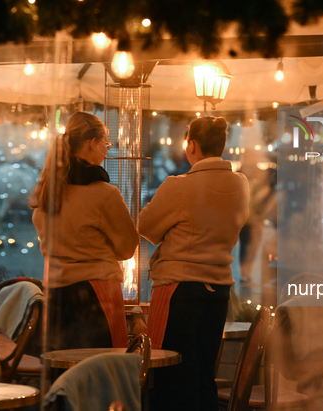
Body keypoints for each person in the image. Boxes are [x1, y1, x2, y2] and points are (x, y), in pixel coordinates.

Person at [139, 116, 250, 411]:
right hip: (219, 291)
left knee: (172, 374)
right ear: (222, 145)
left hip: (179, 290)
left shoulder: (179, 186)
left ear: (191, 145)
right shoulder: (242, 185)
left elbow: (146, 226)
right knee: (203, 374)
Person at [31, 112, 138, 351]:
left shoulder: (47, 192)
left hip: (56, 296)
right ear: (92, 143)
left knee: (64, 374)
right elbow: (127, 248)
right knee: (101, 372)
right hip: (97, 297)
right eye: (105, 144)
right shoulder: (104, 194)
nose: (107, 150)